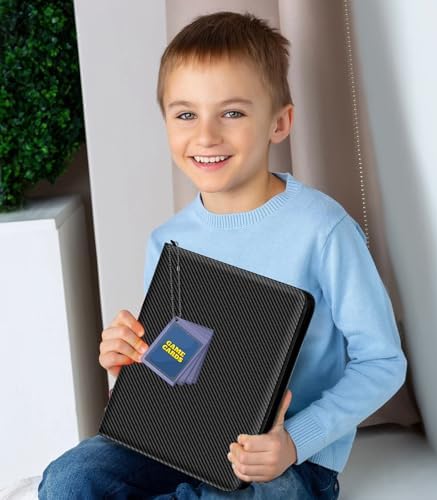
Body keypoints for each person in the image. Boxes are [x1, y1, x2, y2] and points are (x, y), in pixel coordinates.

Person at [39, 10, 407, 499]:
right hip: (181, 441)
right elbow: (179, 360)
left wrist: (294, 442)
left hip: (286, 461)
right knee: (68, 480)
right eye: (185, 114)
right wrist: (128, 371)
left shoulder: (323, 229)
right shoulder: (168, 241)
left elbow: (382, 361)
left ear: (280, 123)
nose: (206, 135)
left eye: (232, 113)